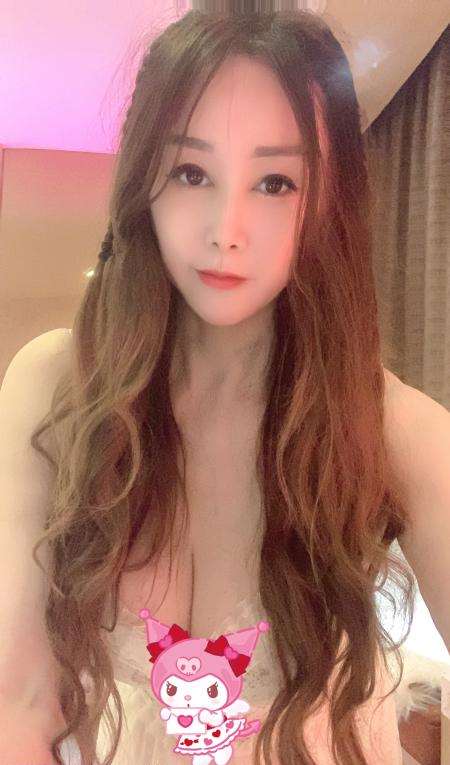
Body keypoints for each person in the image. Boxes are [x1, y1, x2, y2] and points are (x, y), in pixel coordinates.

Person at [0, 1, 423, 763]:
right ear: (145, 180)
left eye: (275, 183)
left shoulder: (389, 424)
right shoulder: (55, 385)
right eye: (192, 171)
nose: (226, 229)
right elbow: (20, 701)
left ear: (329, 201)